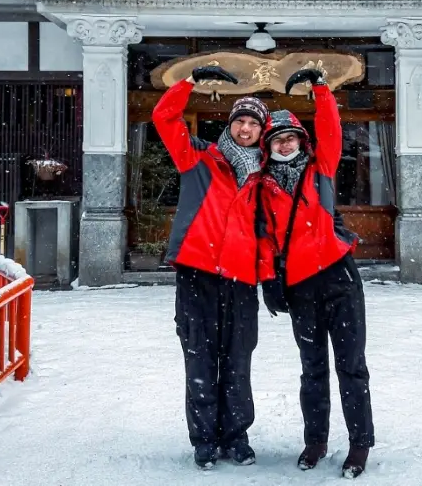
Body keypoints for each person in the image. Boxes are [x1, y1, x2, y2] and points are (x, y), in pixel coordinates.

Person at [258, 68, 375, 480]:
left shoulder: (320, 169)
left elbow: (331, 129)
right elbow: (266, 240)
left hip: (339, 280)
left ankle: (359, 444)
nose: (285, 144)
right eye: (277, 139)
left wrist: (321, 89)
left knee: (351, 365)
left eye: (290, 137)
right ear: (268, 147)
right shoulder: (263, 186)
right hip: (300, 288)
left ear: (301, 141)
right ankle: (316, 440)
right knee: (312, 369)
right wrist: (268, 281)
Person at [152, 66, 268, 470]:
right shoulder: (198, 157)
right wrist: (189, 81)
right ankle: (203, 440)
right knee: (199, 358)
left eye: (254, 122)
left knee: (238, 359)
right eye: (241, 120)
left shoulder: (267, 175)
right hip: (198, 273)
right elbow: (164, 118)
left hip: (241, 279)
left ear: (261, 130)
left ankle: (236, 436)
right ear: (230, 125)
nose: (246, 128)